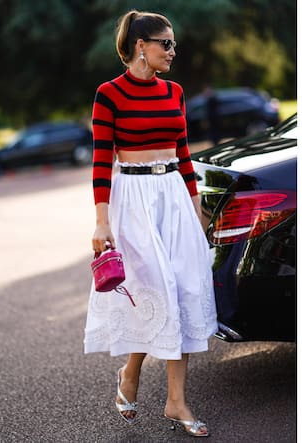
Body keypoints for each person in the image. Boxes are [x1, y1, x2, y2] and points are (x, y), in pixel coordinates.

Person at [84, 10, 217, 438]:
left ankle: (175, 401)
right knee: (155, 292)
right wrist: (101, 222)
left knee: (183, 291)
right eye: (166, 43)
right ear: (141, 46)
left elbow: (183, 151)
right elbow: (103, 159)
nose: (173, 51)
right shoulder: (109, 94)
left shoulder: (175, 91)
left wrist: (196, 206)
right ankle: (131, 371)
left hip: (174, 197)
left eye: (174, 43)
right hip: (133, 200)